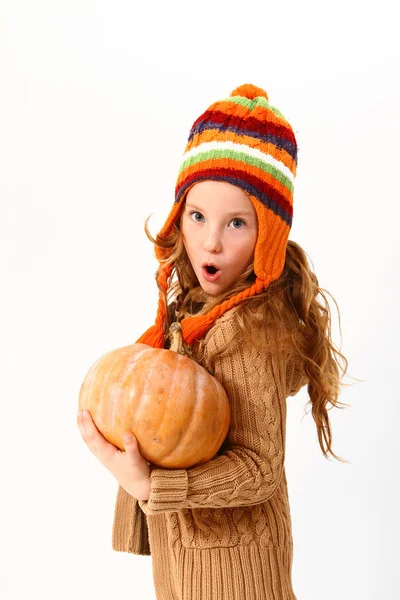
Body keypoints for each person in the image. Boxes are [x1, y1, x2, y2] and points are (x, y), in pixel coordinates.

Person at [78, 83, 351, 600]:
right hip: (189, 557)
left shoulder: (252, 333)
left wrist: (151, 487)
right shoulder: (189, 313)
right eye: (198, 215)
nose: (211, 240)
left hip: (237, 571)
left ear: (266, 236)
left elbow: (261, 468)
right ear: (179, 212)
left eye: (236, 223)